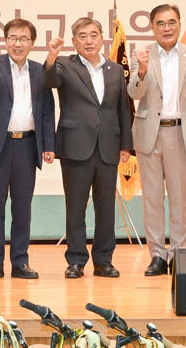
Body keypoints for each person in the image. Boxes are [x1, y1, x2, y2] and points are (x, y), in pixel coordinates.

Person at [44, 17, 132, 278]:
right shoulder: (64, 65)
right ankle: (76, 260)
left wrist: (126, 145)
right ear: (74, 41)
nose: (89, 41)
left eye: (93, 35)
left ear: (102, 38)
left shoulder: (115, 69)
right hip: (75, 146)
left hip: (108, 146)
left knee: (106, 207)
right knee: (76, 207)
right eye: (82, 36)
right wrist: (51, 56)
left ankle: (104, 260)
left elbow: (123, 110)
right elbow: (49, 81)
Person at [0, 15, 53, 279]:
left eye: (23, 39)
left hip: (27, 145)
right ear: (6, 41)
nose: (18, 44)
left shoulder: (39, 71)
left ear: (32, 43)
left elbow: (47, 110)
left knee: (22, 207)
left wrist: (48, 145)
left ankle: (20, 261)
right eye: (13, 38)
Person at [129, 3, 186, 276]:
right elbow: (134, 94)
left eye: (171, 22)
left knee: (179, 199)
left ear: (180, 24)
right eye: (160, 23)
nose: (167, 28)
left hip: (181, 134)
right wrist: (141, 72)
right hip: (149, 134)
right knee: (152, 199)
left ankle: (179, 254)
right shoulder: (141, 55)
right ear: (152, 27)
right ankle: (157, 256)